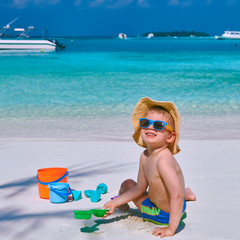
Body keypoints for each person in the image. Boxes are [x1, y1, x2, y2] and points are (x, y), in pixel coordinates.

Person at [103, 97, 196, 238]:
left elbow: (176, 195)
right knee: (129, 183)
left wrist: (171, 229)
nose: (150, 127)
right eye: (146, 123)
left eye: (158, 125)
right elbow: (140, 188)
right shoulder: (145, 155)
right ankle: (186, 193)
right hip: (177, 202)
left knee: (127, 186)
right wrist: (114, 202)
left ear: (170, 137)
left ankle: (184, 194)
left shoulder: (163, 160)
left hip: (164, 214)